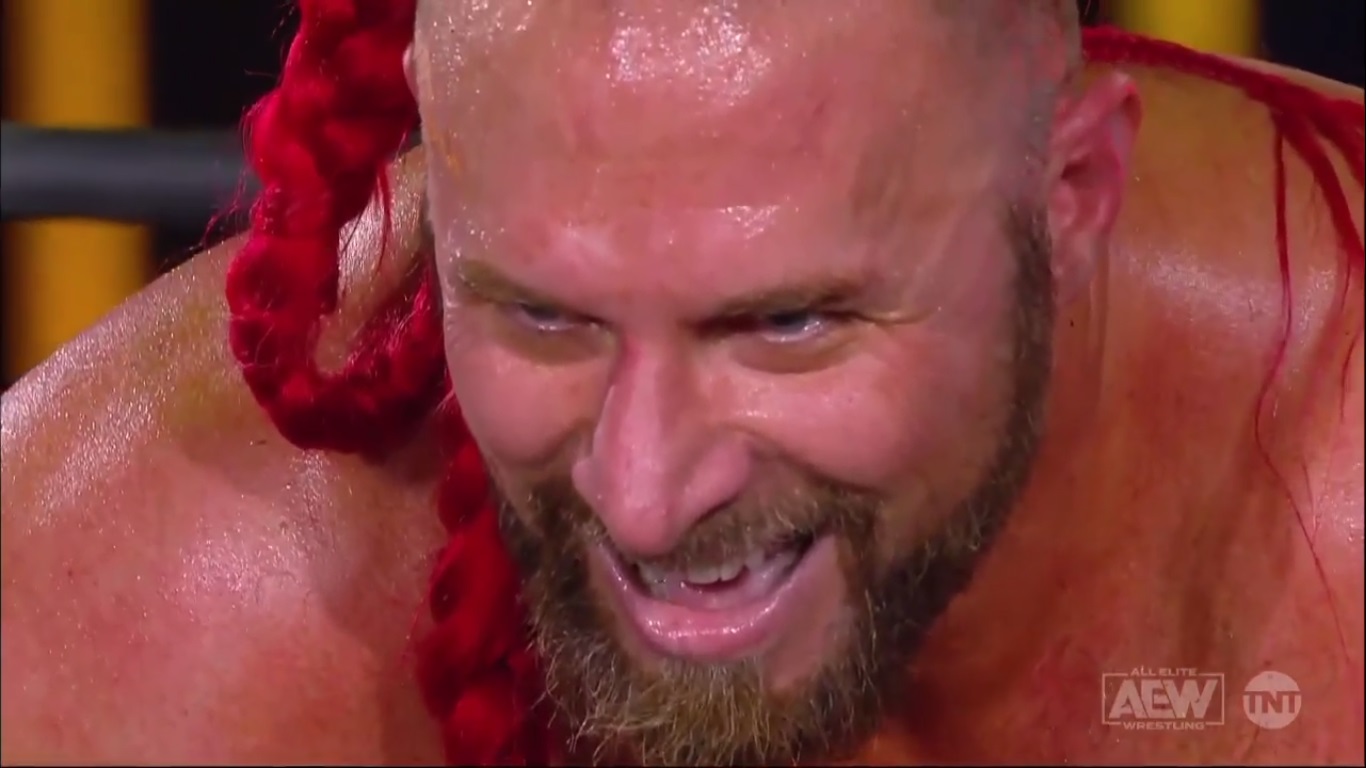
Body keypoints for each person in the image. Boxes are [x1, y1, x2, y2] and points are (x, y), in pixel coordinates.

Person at [1, 0, 1362, 764]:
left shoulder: (1330, 490)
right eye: (543, 313)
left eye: (784, 323)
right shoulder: (140, 605)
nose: (643, 495)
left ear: (1071, 197)